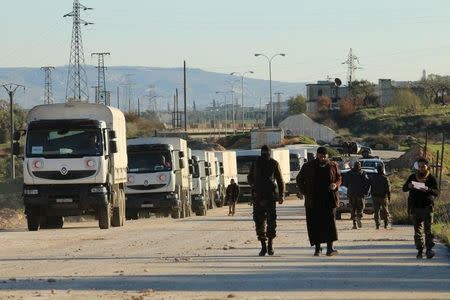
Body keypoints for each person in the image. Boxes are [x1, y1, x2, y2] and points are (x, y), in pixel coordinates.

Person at [296, 146, 341, 256]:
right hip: (313, 200)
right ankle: (317, 248)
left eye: (325, 156)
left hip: (329, 200)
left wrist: (335, 185)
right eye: (321, 156)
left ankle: (330, 249)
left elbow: (339, 178)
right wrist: (305, 192)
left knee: (330, 224)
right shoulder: (308, 166)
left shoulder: (333, 165)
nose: (323, 158)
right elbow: (299, 179)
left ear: (327, 156)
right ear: (317, 155)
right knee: (315, 224)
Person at [247, 145, 284, 256]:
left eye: (266, 153)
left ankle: (270, 245)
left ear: (269, 153)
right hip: (258, 196)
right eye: (263, 153)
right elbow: (249, 177)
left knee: (271, 221)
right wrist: (253, 185)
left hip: (270, 197)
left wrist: (281, 195)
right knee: (259, 221)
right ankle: (263, 246)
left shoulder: (274, 163)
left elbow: (280, 180)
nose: (265, 155)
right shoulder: (256, 163)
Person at [402, 157, 439, 259]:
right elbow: (404, 188)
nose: (421, 168)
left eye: (423, 166)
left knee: (428, 231)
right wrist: (409, 186)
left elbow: (436, 192)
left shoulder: (431, 178)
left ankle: (429, 250)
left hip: (427, 207)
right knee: (417, 231)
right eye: (420, 166)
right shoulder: (413, 177)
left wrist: (428, 189)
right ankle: (419, 250)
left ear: (427, 166)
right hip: (415, 208)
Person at [343, 161, 370, 229]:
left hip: (351, 193)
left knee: (353, 209)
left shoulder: (348, 173)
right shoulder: (363, 173)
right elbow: (367, 183)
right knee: (360, 208)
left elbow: (345, 183)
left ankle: (354, 224)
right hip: (360, 194)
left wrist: (350, 188)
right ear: (360, 166)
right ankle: (359, 217)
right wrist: (365, 191)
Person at [370, 164, 391, 229]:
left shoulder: (374, 178)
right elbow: (388, 189)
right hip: (383, 197)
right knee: (385, 211)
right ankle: (386, 224)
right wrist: (389, 197)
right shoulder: (385, 178)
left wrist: (372, 194)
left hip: (375, 197)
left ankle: (377, 224)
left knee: (376, 212)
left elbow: (371, 187)